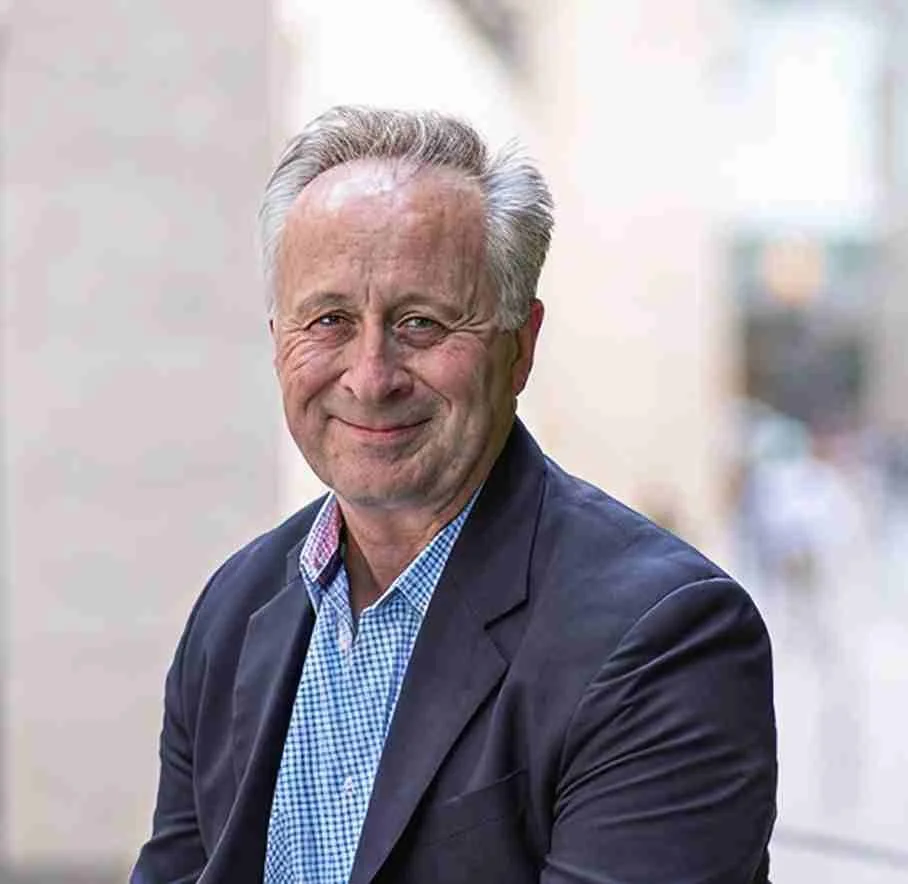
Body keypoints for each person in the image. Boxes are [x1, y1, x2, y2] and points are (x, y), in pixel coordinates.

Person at [131, 106, 777, 884]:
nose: (371, 377)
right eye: (329, 320)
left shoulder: (666, 639)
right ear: (278, 342)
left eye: (421, 323)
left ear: (520, 346)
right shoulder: (233, 611)